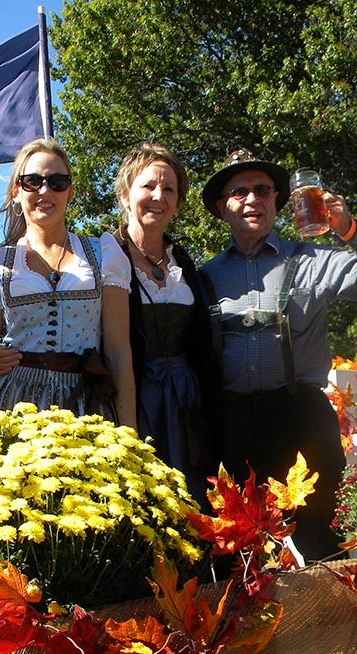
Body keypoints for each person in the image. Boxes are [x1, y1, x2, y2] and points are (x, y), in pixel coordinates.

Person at [198, 149, 357, 561]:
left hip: (301, 419)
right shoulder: (203, 276)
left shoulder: (313, 262)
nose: (251, 199)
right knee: (233, 543)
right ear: (222, 209)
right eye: (238, 192)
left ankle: (327, 621)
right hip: (230, 421)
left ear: (278, 201)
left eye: (262, 189)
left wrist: (348, 228)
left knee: (320, 539)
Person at [0, 138, 136, 427]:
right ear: (16, 192)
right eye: (32, 181)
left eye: (57, 181)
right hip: (13, 407)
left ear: (69, 192)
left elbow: (118, 350)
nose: (45, 190)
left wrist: (129, 430)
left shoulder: (105, 254)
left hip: (86, 404)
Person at [112, 143, 214, 495]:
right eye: (148, 186)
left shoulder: (185, 265)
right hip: (131, 396)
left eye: (169, 189)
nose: (159, 195)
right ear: (126, 195)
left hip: (187, 400)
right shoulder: (102, 258)